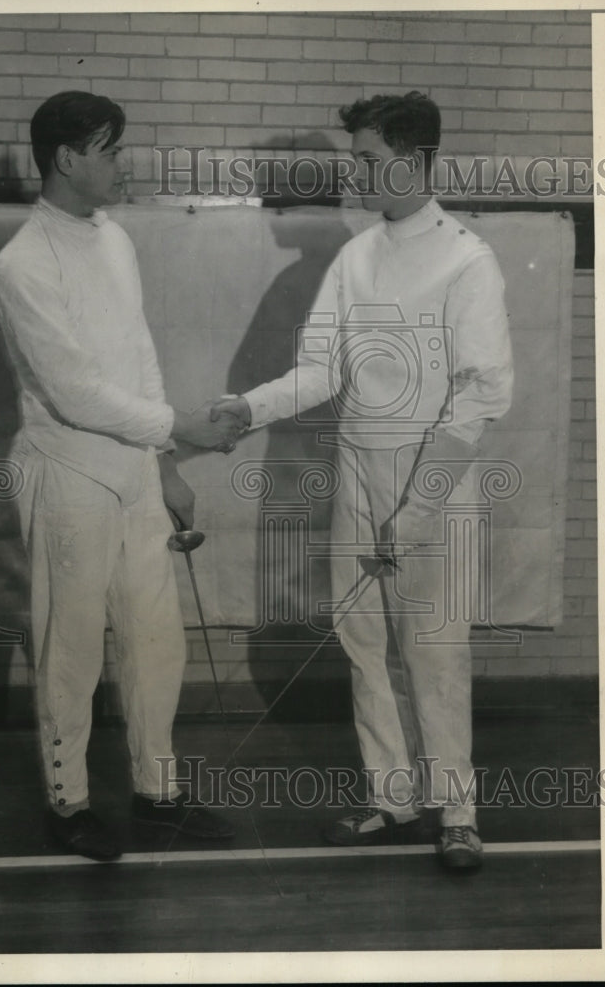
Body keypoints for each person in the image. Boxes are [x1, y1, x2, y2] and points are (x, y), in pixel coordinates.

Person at [212, 91, 513, 870]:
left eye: (370, 161)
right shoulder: (357, 257)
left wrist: (418, 507)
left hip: (434, 479)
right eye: (356, 159)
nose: (357, 175)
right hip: (357, 468)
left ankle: (458, 813)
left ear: (415, 162)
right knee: (363, 641)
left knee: (434, 649)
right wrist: (244, 409)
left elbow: (483, 393)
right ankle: (394, 799)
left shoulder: (467, 258)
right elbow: (319, 371)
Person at [0, 91, 243, 862]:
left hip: (133, 470)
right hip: (65, 471)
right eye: (111, 150)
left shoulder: (116, 240)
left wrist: (166, 467)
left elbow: (136, 362)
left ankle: (157, 793)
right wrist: (185, 429)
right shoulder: (20, 264)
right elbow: (73, 392)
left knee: (156, 641)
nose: (122, 163)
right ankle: (69, 806)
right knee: (71, 647)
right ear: (69, 159)